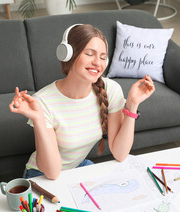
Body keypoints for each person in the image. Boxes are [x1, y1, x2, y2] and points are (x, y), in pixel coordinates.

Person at [9, 24, 155, 180]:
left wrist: (132, 106)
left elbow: (120, 154)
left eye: (103, 57)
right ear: (68, 54)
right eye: (90, 54)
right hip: (41, 175)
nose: (98, 63)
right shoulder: (43, 101)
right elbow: (52, 173)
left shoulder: (111, 89)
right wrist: (38, 120)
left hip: (77, 166)